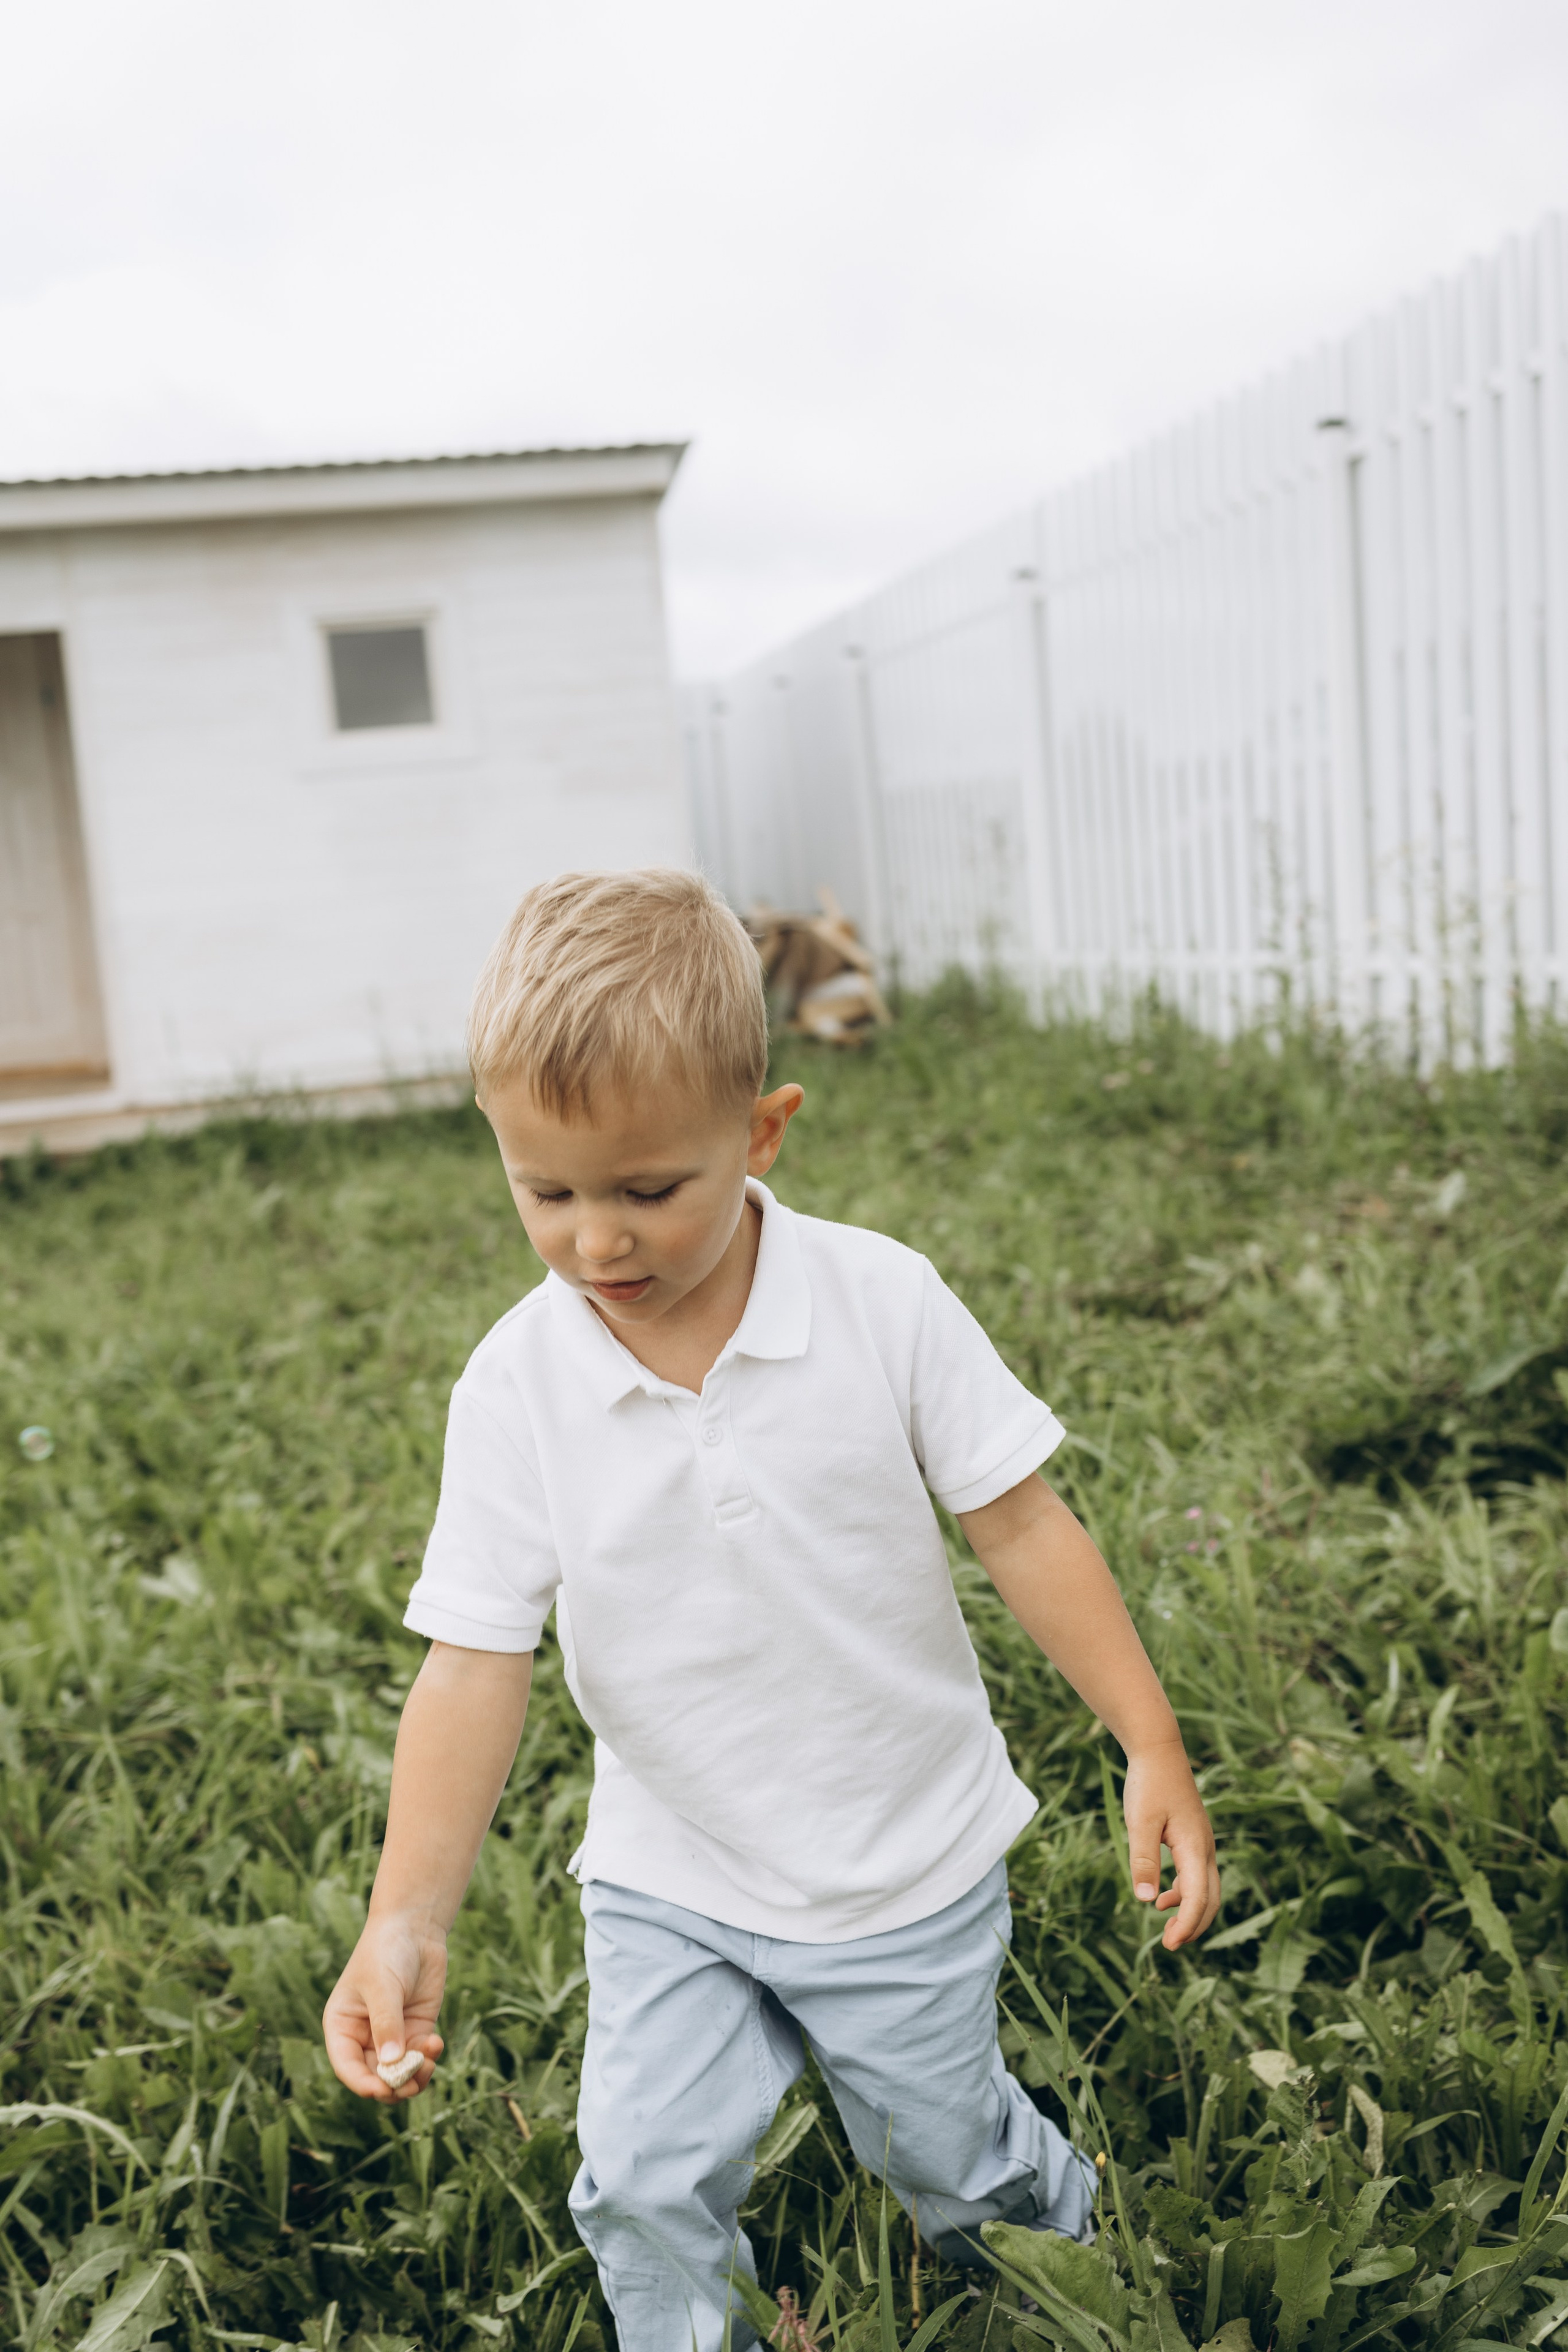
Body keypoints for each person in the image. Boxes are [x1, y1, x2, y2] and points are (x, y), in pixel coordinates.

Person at [322, 868, 1221, 2352]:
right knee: (640, 2185)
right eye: (544, 1193)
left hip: (898, 1867)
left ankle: (1075, 2264)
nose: (594, 1243)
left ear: (760, 1133)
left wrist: (1146, 1741)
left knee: (951, 2170)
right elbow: (473, 1659)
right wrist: (404, 1917)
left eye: (645, 1190)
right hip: (671, 1874)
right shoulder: (518, 1383)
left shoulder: (881, 1302)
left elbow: (1018, 1521)